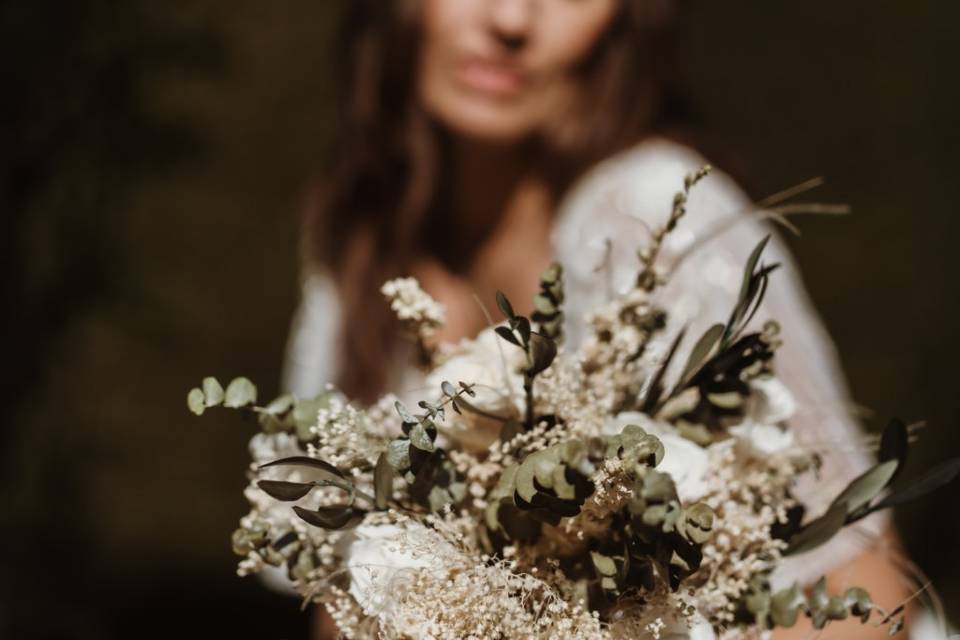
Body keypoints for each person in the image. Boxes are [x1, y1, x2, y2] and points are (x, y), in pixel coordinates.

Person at [282, 1, 916, 637]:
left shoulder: (654, 221)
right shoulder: (363, 235)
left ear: (624, 25)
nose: (511, 19)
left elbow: (863, 596)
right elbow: (341, 602)